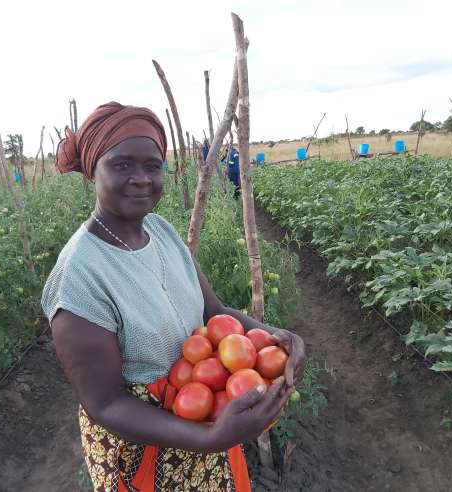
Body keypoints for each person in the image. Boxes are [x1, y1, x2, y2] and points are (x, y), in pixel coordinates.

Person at [42, 101, 306, 491]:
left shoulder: (160, 231)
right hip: (141, 452)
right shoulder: (79, 277)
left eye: (153, 165)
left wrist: (279, 338)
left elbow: (214, 312)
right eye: (122, 165)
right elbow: (105, 404)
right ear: (93, 171)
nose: (142, 179)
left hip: (200, 425)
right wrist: (210, 438)